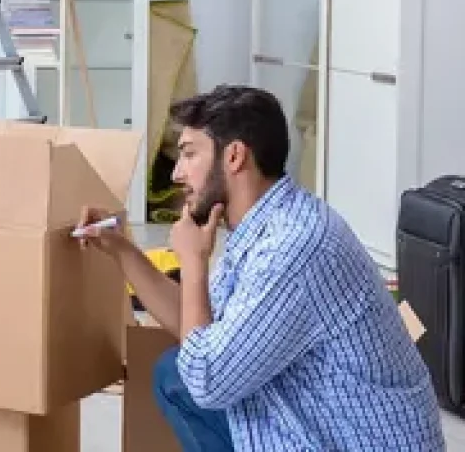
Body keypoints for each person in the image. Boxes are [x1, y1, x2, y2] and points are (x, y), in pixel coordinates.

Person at [77, 85, 445, 451]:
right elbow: (200, 328)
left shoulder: (293, 246)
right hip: (326, 425)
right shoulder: (264, 224)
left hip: (358, 442)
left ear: (234, 156)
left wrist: (193, 263)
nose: (176, 173)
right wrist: (123, 250)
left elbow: (206, 378)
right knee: (174, 373)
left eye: (189, 154)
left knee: (185, 379)